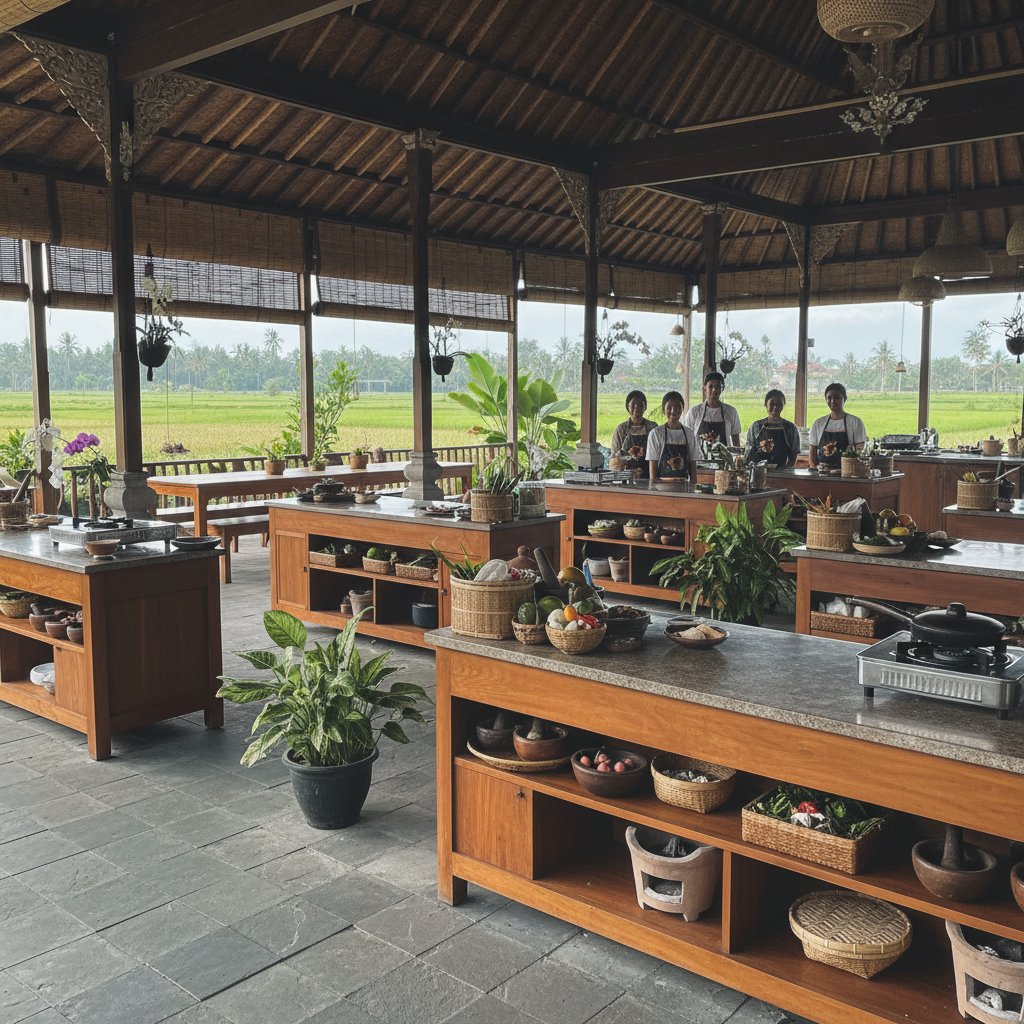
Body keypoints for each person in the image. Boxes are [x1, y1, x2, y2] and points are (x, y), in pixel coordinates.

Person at [809, 382, 868, 469]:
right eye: (829, 398)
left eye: (836, 397)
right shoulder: (818, 423)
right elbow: (812, 452)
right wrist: (814, 469)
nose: (832, 401)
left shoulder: (855, 422)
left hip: (847, 471)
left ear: (845, 398)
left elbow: (860, 451)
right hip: (822, 472)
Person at [647, 391, 698, 482]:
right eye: (669, 407)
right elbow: (652, 469)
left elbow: (693, 466)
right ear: (663, 410)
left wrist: (693, 488)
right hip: (661, 487)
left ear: (683, 408)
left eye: (678, 407)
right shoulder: (656, 433)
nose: (673, 410)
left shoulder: (689, 433)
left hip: (684, 486)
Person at [683, 371, 742, 448]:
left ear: (722, 388)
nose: (714, 390)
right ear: (704, 388)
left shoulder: (731, 411)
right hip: (699, 458)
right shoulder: (694, 412)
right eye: (710, 386)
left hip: (724, 458)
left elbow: (736, 441)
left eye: (718, 386)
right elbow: (687, 438)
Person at [745, 389, 801, 467]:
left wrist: (786, 469)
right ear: (765, 404)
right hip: (758, 471)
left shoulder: (790, 427)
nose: (775, 407)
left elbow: (794, 454)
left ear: (783, 405)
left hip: (782, 472)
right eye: (772, 404)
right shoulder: (756, 426)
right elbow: (749, 451)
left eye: (779, 404)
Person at [610, 390, 657, 471]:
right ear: (627, 407)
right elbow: (614, 459)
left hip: (649, 473)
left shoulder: (652, 427)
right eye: (633, 405)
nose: (636, 407)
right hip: (627, 475)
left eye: (640, 405)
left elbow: (657, 454)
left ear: (645, 407)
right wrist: (621, 458)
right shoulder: (621, 429)